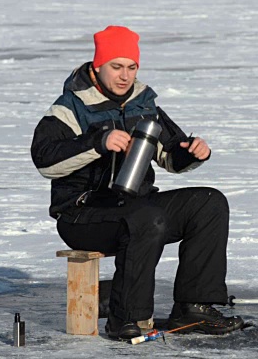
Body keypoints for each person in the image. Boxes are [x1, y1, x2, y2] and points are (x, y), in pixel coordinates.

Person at [30, 25, 243, 340]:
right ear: (98, 66)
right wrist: (98, 143)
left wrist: (193, 152)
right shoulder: (70, 107)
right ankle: (126, 319)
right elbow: (45, 160)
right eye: (116, 67)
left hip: (137, 208)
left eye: (131, 67)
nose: (124, 75)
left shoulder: (144, 103)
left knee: (209, 203)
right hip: (82, 215)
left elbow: (171, 154)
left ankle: (193, 307)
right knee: (145, 218)